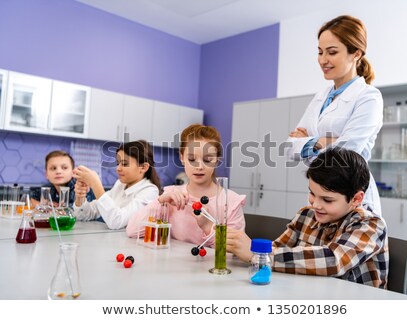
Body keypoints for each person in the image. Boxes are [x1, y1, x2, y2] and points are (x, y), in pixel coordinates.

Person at [227, 148, 388, 289]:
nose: (315, 204)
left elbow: (334, 260)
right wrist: (243, 250)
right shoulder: (306, 215)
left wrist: (259, 255)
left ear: (356, 199)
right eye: (312, 193)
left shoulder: (370, 224)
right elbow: (277, 249)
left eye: (327, 200)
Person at [285, 15, 383, 215]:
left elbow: (345, 156)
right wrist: (320, 142)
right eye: (320, 52)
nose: (322, 60)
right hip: (321, 196)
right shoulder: (320, 97)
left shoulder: (368, 97)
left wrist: (306, 143)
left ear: (356, 53)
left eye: (332, 52)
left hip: (352, 198)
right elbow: (288, 148)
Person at [127, 124, 246, 246]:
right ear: (182, 157)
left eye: (207, 160)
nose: (199, 166)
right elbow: (132, 231)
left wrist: (208, 227)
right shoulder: (171, 196)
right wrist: (159, 202)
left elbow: (232, 253)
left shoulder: (231, 202)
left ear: (217, 160)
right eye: (192, 159)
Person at [72, 140, 161, 230]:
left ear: (143, 167)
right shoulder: (120, 185)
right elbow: (86, 214)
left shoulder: (150, 191)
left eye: (124, 164)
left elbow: (116, 222)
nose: (118, 168)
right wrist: (80, 198)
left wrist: (95, 184)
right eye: (118, 163)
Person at [30, 150, 95, 207]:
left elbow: (77, 211)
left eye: (64, 168)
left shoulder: (79, 186)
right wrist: (43, 204)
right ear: (46, 174)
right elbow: (30, 199)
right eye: (53, 168)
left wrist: (53, 209)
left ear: (73, 172)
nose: (58, 171)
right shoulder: (48, 187)